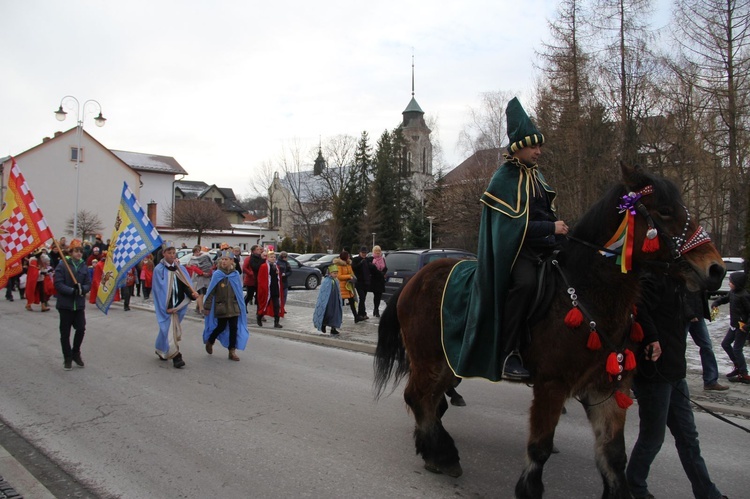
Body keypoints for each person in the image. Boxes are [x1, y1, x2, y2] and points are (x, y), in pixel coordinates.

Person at [460, 97, 568, 381]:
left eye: (539, 146)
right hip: (519, 252)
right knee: (525, 284)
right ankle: (509, 352)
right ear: (519, 147)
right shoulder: (503, 180)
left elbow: (545, 214)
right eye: (534, 146)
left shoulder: (538, 178)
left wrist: (559, 232)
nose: (539, 152)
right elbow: (513, 228)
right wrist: (549, 228)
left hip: (546, 248)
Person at [626, 270, 727, 499]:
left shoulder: (678, 280)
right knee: (652, 438)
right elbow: (637, 308)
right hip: (653, 373)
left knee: (688, 438)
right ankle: (633, 487)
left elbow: (711, 280)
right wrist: (651, 337)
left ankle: (707, 494)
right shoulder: (651, 276)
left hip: (675, 371)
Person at [152, 241, 198, 368]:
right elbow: (158, 290)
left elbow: (185, 285)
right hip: (166, 306)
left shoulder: (180, 268)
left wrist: (191, 294)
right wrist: (165, 307)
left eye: (173, 253)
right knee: (168, 330)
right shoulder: (159, 270)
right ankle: (176, 357)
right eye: (169, 253)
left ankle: (161, 349)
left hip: (178, 305)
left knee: (167, 330)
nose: (172, 255)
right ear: (164, 253)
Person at [203, 250, 249, 361]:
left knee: (234, 328)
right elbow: (211, 291)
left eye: (226, 259)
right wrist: (207, 306)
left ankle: (232, 351)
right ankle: (211, 341)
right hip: (221, 306)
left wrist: (241, 306)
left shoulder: (235, 274)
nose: (224, 261)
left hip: (233, 306)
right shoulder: (217, 274)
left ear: (231, 261)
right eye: (222, 259)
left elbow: (238, 291)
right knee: (221, 327)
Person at [53, 239, 91, 370]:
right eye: (76, 251)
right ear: (71, 252)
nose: (79, 253)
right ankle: (67, 357)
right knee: (65, 333)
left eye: (81, 251)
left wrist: (83, 289)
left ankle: (76, 353)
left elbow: (88, 283)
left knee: (81, 329)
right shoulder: (63, 265)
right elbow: (58, 284)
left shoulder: (83, 266)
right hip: (65, 305)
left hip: (79, 305)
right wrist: (72, 291)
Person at [684, 289, 728, 390]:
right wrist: (689, 313)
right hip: (684, 316)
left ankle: (710, 381)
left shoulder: (699, 276)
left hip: (698, 314)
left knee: (707, 346)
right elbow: (679, 296)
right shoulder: (682, 276)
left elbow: (713, 284)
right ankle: (676, 381)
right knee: (679, 347)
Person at [712, 271, 750, 384]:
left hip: (742, 327)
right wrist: (716, 302)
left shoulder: (744, 296)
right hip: (733, 326)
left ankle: (744, 373)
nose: (729, 284)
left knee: (737, 349)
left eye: (731, 282)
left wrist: (747, 326)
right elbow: (725, 299)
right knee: (725, 344)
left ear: (737, 283)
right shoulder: (733, 292)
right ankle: (737, 365)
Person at [255, 250, 285, 328]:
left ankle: (276, 322)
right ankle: (259, 316)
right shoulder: (264, 266)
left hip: (275, 289)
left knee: (276, 306)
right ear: (267, 258)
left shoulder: (276, 267)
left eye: (274, 257)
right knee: (265, 304)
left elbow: (279, 278)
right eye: (271, 257)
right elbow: (261, 279)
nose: (273, 258)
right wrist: (263, 288)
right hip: (267, 289)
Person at [313, 264, 343, 335]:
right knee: (327, 313)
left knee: (335, 313)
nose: (336, 275)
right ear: (330, 273)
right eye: (334, 273)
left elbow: (338, 291)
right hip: (328, 301)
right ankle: (323, 324)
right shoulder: (326, 281)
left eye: (336, 273)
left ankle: (333, 328)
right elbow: (323, 293)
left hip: (335, 300)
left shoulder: (336, 281)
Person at [334, 251, 362, 323]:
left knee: (352, 302)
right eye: (348, 256)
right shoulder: (339, 265)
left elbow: (351, 273)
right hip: (342, 287)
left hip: (349, 287)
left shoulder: (348, 264)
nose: (349, 257)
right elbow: (339, 276)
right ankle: (338, 318)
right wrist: (349, 276)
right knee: (340, 304)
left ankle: (356, 317)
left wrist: (353, 277)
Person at [186, 245, 213, 313]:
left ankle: (198, 307)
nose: (198, 253)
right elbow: (194, 268)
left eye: (198, 251)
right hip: (199, 279)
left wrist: (209, 272)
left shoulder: (205, 258)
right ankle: (201, 310)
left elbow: (210, 265)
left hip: (206, 278)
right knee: (200, 294)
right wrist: (202, 273)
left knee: (202, 294)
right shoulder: (193, 260)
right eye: (196, 251)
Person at [351, 246, 372, 319]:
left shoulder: (367, 260)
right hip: (359, 282)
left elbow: (371, 269)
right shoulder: (356, 259)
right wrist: (360, 263)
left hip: (366, 282)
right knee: (362, 297)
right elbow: (354, 268)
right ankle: (361, 313)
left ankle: (363, 313)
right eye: (363, 253)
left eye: (365, 253)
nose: (364, 254)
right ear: (359, 253)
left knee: (363, 298)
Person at [368, 245, 387, 317]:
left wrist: (383, 273)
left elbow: (385, 268)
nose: (378, 252)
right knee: (376, 295)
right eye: (376, 251)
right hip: (374, 280)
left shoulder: (383, 259)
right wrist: (380, 273)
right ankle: (376, 310)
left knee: (379, 295)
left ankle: (376, 309)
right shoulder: (371, 259)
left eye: (379, 251)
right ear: (373, 251)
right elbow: (371, 269)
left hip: (381, 280)